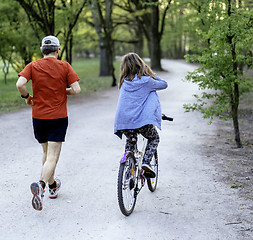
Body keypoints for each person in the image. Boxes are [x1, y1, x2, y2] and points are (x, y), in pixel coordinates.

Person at [16, 35, 81, 211]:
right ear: (57, 50)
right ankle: (42, 185)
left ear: (42, 50)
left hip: (38, 116)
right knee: (52, 156)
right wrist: (63, 90)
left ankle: (52, 186)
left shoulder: (33, 66)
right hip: (58, 117)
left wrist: (27, 97)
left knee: (46, 153)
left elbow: (20, 84)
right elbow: (76, 89)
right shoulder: (64, 66)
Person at [114, 52, 168, 178]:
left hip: (123, 122)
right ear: (140, 65)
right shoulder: (147, 81)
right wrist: (150, 73)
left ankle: (128, 170)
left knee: (131, 140)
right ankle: (146, 163)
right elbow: (164, 84)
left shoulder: (123, 82)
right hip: (140, 122)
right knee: (154, 138)